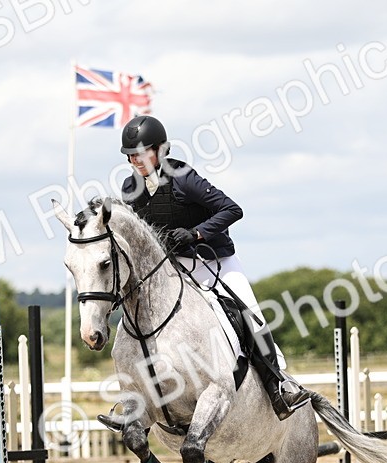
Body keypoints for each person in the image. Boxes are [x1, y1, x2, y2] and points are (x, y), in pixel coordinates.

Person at [110, 114, 309, 423]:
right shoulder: (130, 188)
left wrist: (197, 233)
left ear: (160, 150)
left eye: (141, 152)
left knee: (249, 313)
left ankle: (278, 385)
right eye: (131, 155)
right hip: (176, 269)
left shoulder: (183, 178)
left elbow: (232, 209)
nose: (135, 159)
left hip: (215, 260)